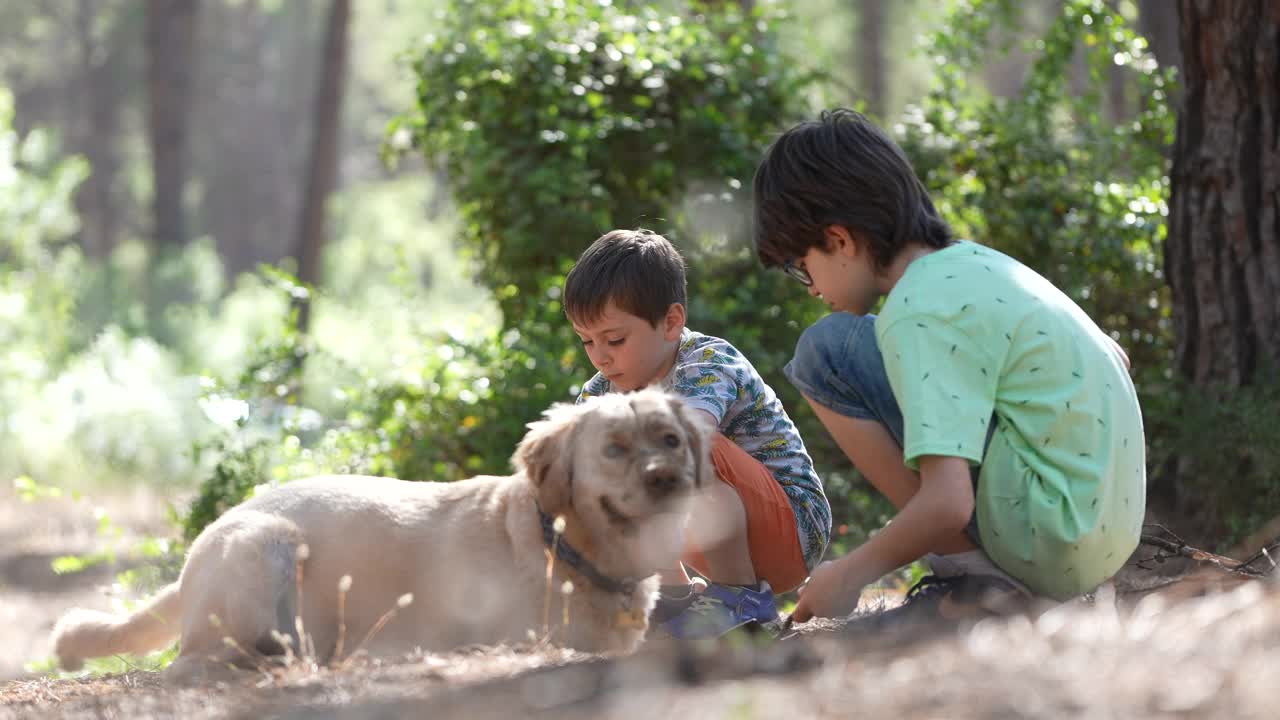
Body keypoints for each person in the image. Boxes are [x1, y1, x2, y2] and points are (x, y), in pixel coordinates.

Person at [751, 108, 1145, 624]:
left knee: (826, 353)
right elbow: (1116, 356)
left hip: (1046, 542)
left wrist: (848, 572)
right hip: (1104, 537)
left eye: (802, 268)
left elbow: (949, 503)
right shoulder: (982, 264)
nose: (812, 287)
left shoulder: (917, 309)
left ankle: (975, 575)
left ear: (839, 240)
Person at [563, 228, 832, 637]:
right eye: (587, 342)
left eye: (615, 339)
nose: (601, 356)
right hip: (710, 539)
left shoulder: (707, 361)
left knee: (682, 440)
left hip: (792, 526)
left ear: (671, 322)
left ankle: (742, 600)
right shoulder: (602, 389)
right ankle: (673, 597)